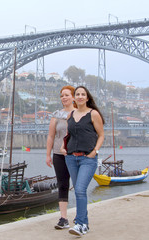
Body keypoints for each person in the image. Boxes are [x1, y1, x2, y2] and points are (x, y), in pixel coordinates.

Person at [62, 86, 105, 236]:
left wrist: (95, 152)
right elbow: (69, 135)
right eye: (77, 94)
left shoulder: (93, 114)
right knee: (79, 191)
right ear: (74, 98)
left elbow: (101, 135)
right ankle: (85, 224)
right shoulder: (70, 115)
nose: (80, 96)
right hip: (71, 158)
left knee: (80, 189)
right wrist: (63, 147)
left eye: (83, 94)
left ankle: (79, 224)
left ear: (87, 98)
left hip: (88, 158)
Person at [46, 85, 76, 229]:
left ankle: (81, 215)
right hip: (58, 154)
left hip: (76, 154)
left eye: (67, 95)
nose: (64, 98)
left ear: (74, 97)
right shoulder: (56, 115)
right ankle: (63, 218)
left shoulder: (79, 114)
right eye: (62, 95)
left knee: (79, 185)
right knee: (62, 184)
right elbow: (51, 136)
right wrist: (48, 155)